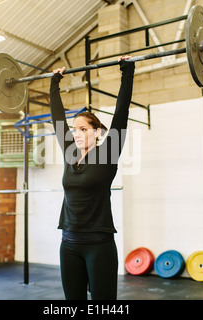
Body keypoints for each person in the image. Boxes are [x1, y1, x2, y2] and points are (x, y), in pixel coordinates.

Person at [50, 56, 135, 300]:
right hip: (68, 243)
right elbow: (57, 119)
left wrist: (127, 72)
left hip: (99, 245)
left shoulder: (108, 154)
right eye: (74, 129)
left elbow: (122, 111)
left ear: (97, 132)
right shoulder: (69, 153)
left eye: (83, 129)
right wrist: (54, 83)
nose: (76, 133)